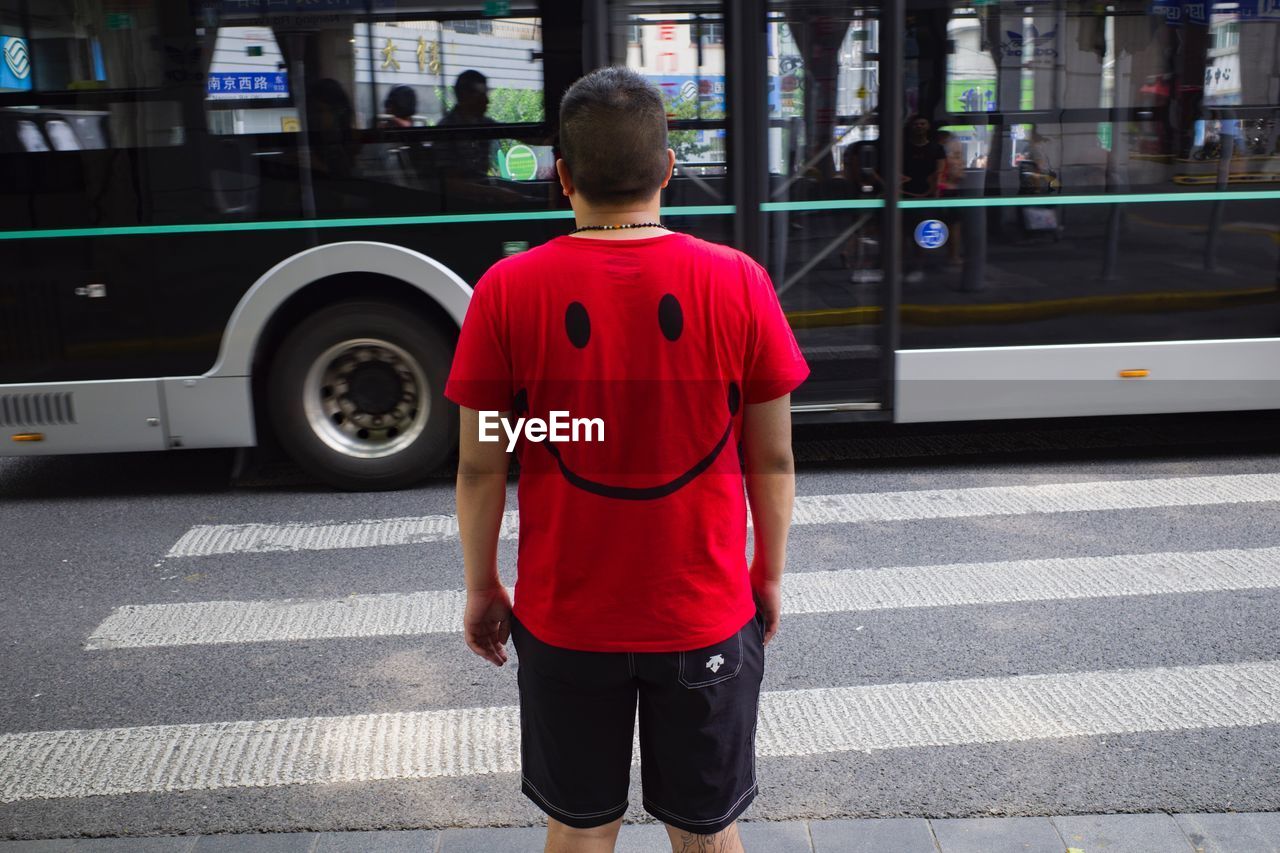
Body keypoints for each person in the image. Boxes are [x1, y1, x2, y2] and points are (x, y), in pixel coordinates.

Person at [445, 66, 809, 853]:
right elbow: (771, 458)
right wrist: (767, 573)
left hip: (567, 619)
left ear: (564, 177)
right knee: (708, 833)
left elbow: (483, 466)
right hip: (703, 614)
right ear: (669, 171)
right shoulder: (739, 282)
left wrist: (483, 584)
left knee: (577, 830)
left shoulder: (507, 291)